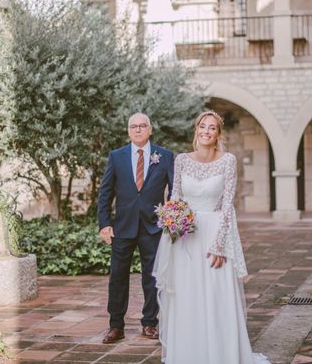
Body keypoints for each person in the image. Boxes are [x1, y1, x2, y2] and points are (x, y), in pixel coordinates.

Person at [153, 110, 269, 364]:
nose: (206, 131)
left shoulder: (228, 160)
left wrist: (219, 245)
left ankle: (221, 354)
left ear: (218, 134)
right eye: (203, 126)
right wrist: (172, 222)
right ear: (196, 130)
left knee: (217, 295)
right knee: (188, 296)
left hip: (215, 234)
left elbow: (228, 204)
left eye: (212, 128)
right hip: (186, 236)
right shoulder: (182, 160)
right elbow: (175, 197)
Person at [97, 113, 174, 344]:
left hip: (153, 227)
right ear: (128, 130)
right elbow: (105, 193)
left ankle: (150, 323)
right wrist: (105, 223)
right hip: (122, 227)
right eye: (133, 126)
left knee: (152, 277)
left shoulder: (165, 156)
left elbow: (176, 191)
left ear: (150, 129)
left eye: (142, 126)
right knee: (118, 277)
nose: (138, 129)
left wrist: (171, 220)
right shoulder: (116, 156)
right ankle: (116, 326)